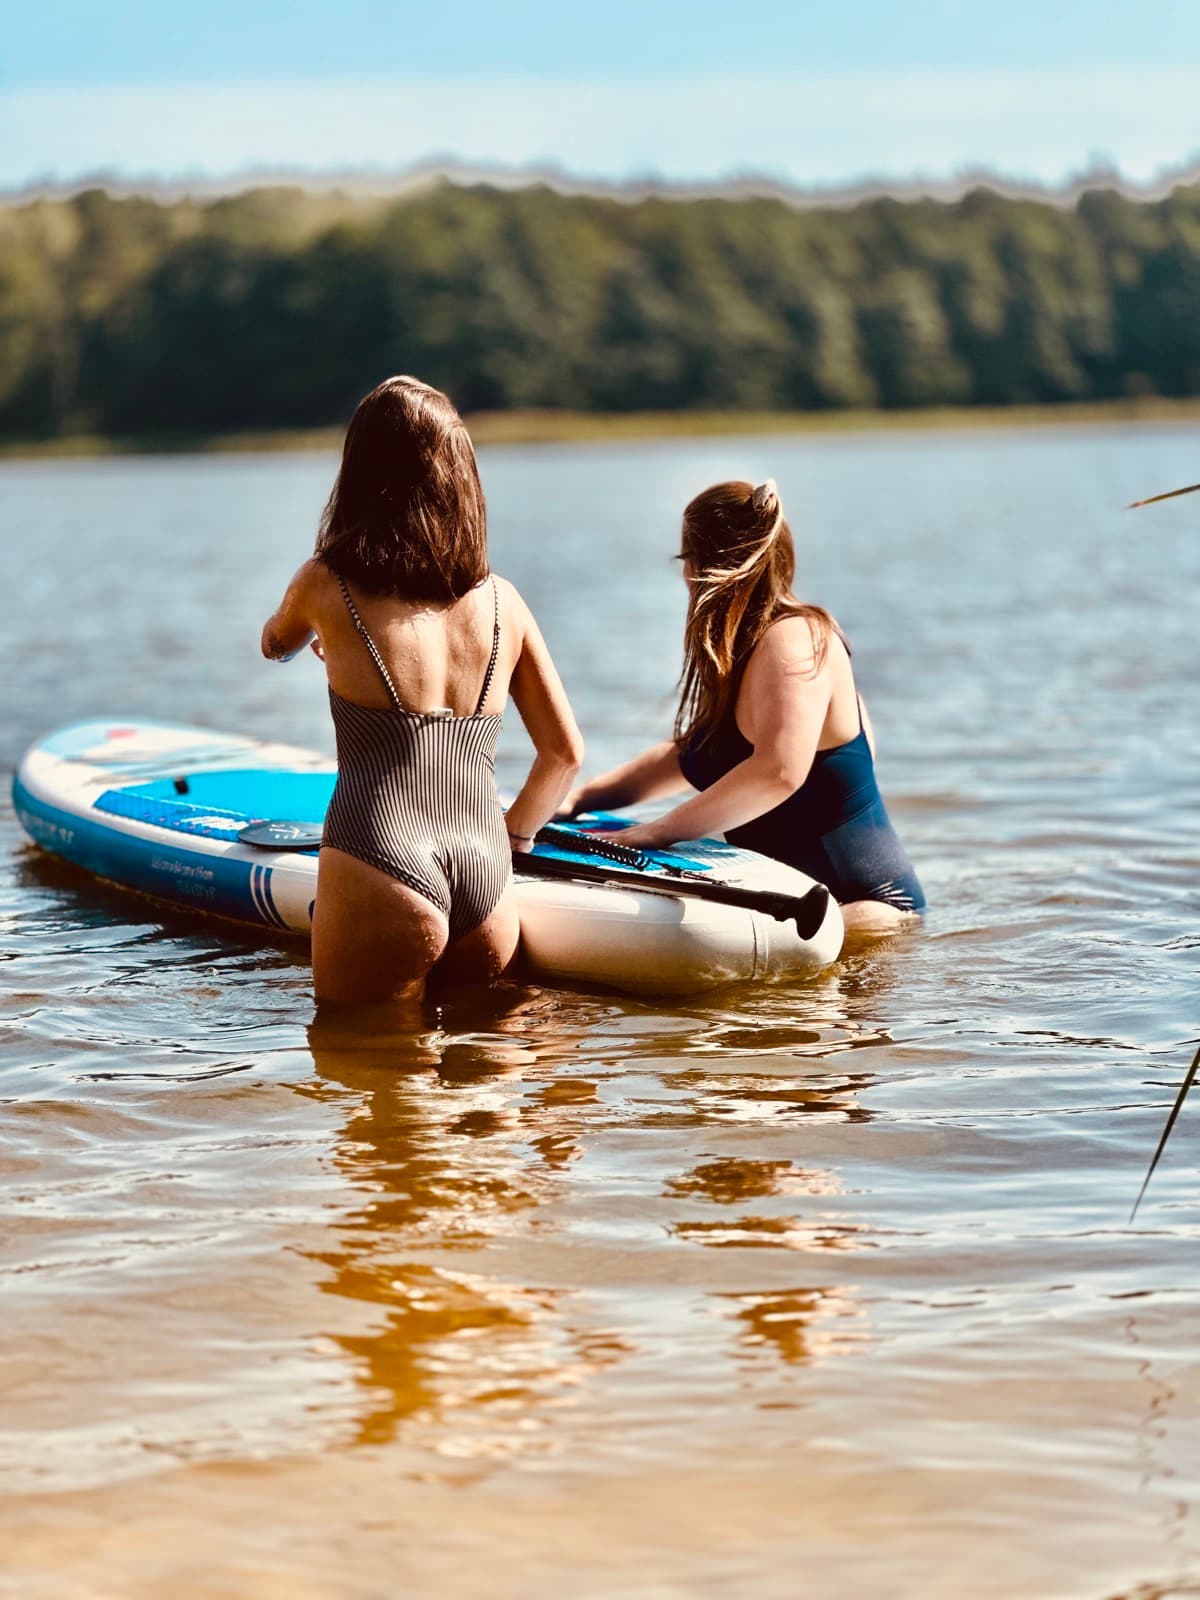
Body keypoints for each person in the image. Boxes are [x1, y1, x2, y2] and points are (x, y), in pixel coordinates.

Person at [261, 376, 583, 1007]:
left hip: (379, 857)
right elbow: (564, 755)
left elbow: (275, 642)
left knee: (373, 1076)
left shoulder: (327, 583)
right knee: (490, 1087)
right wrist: (514, 841)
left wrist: (326, 640)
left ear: (361, 472)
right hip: (485, 873)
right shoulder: (503, 602)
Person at [563, 478, 924, 932]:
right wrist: (578, 800)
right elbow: (685, 757)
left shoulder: (796, 641)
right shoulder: (751, 649)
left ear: (697, 567)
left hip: (869, 915)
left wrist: (658, 831)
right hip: (801, 913)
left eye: (685, 560)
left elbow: (779, 772)